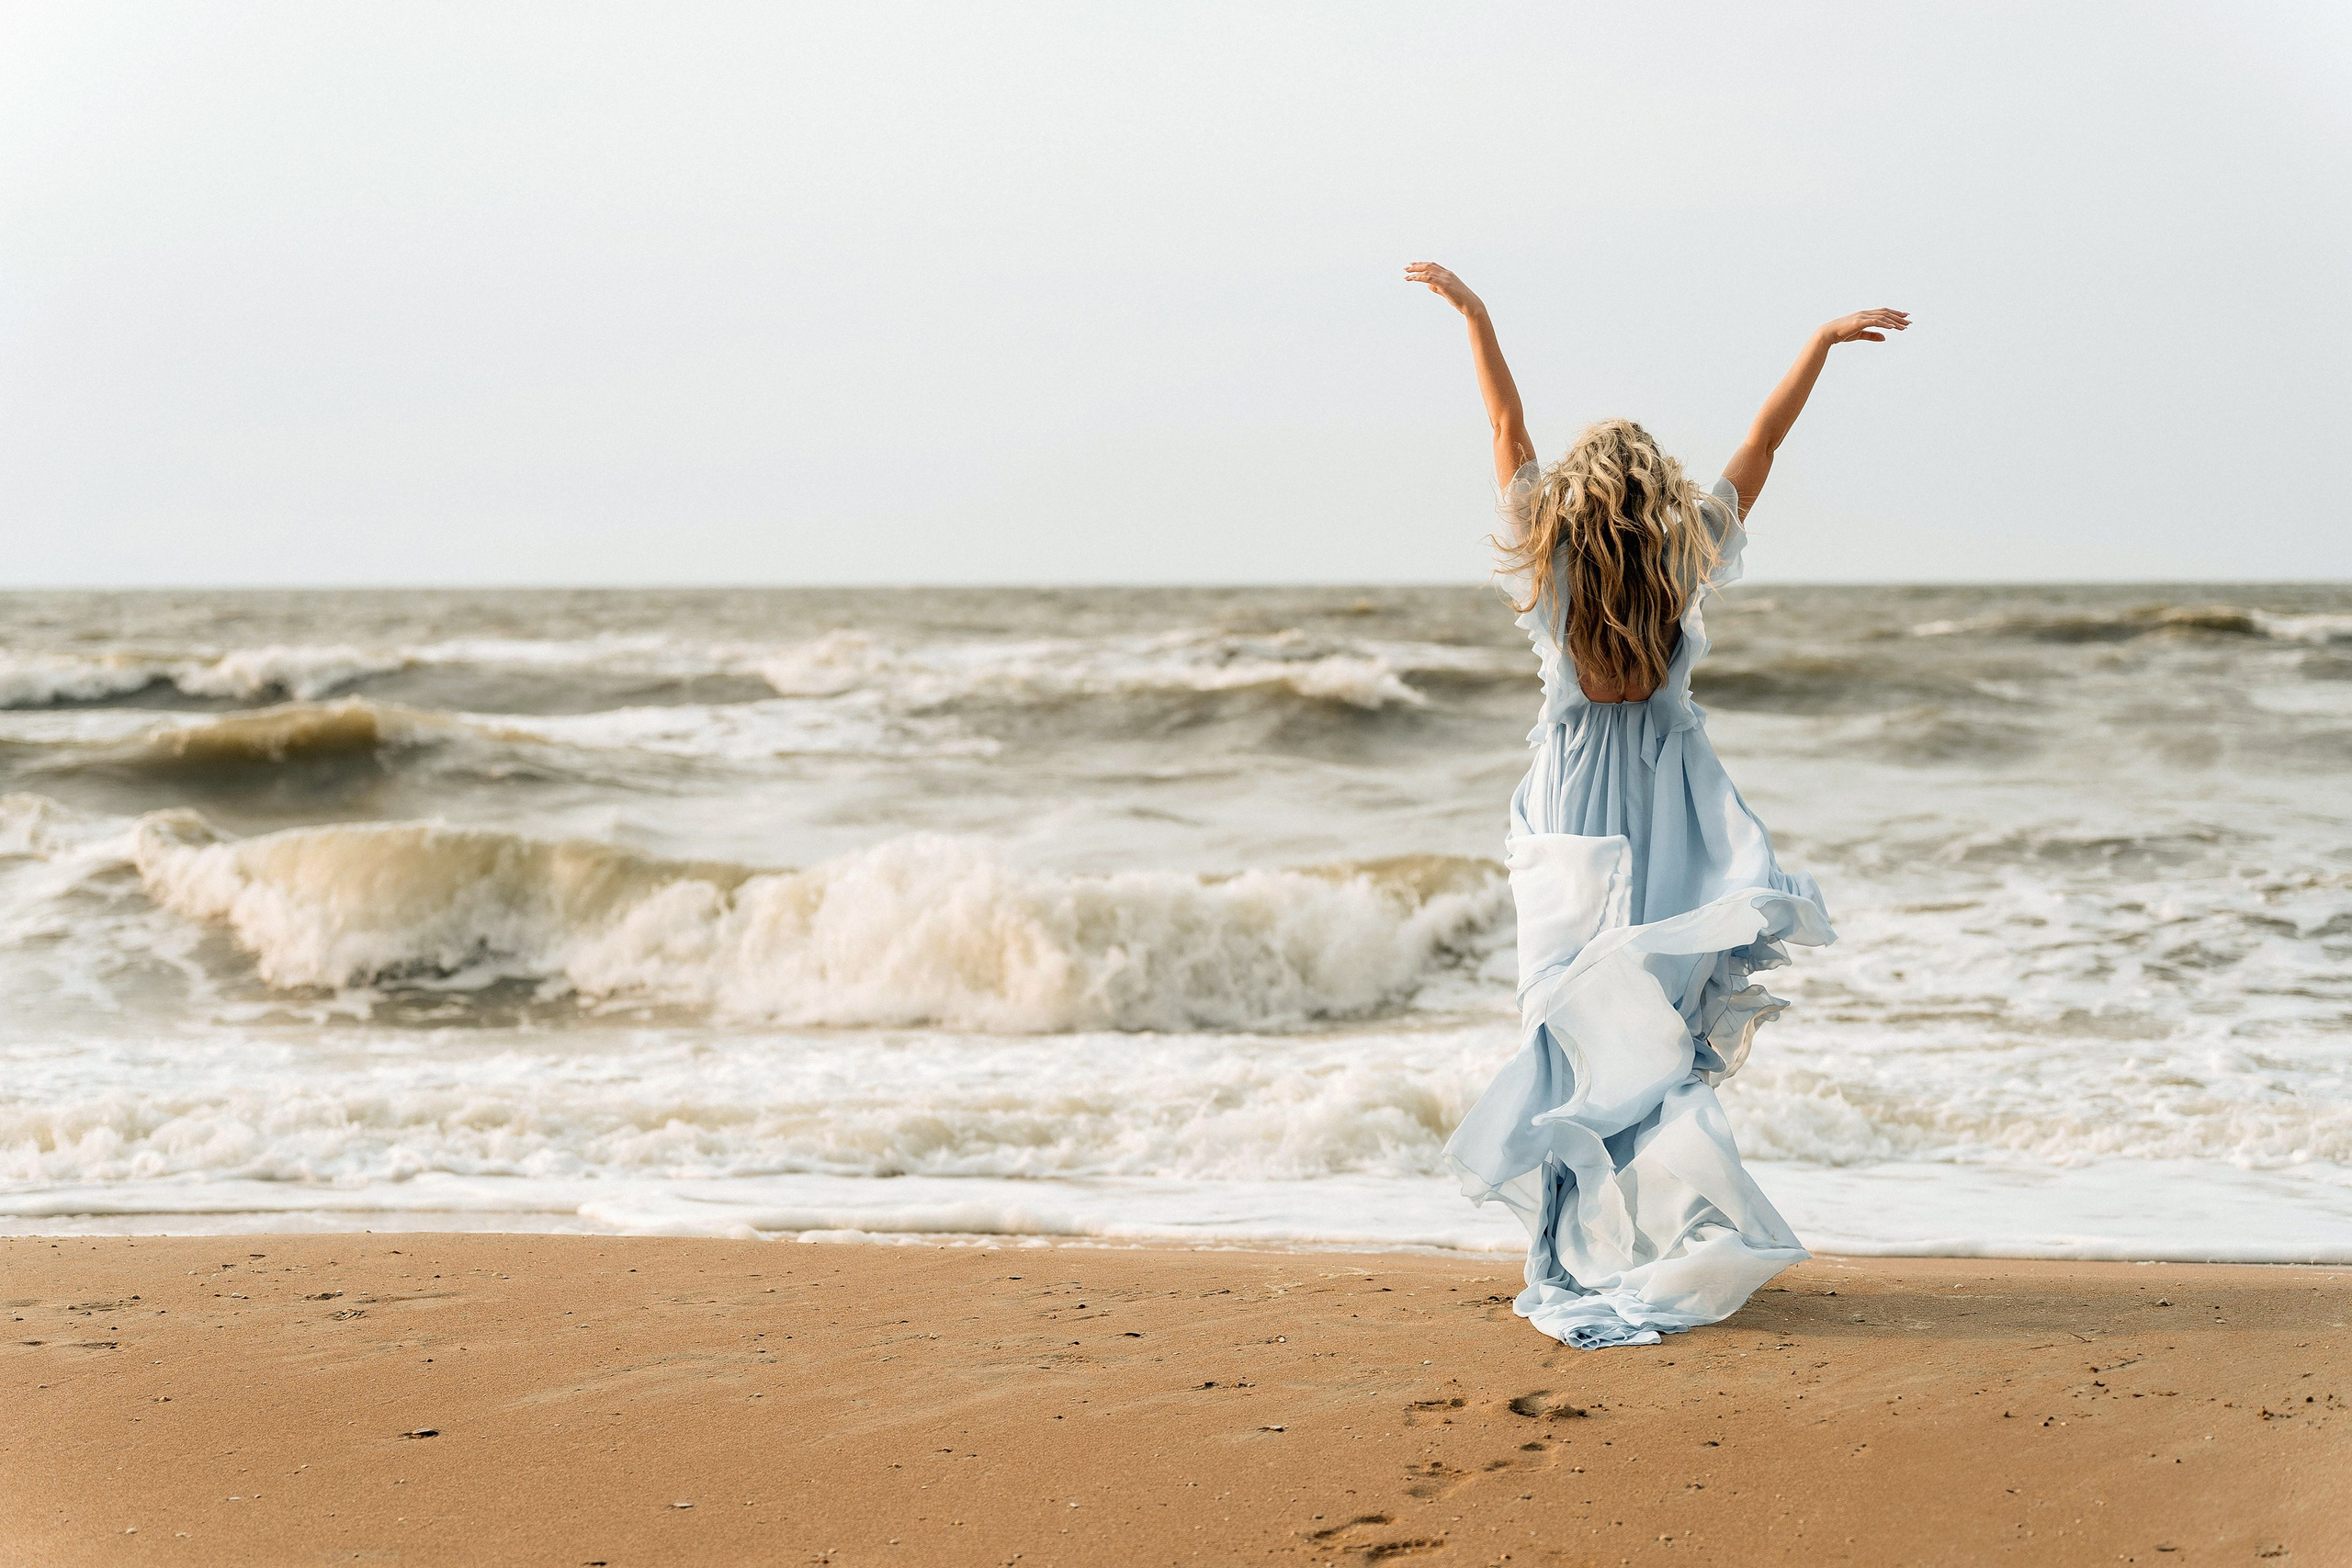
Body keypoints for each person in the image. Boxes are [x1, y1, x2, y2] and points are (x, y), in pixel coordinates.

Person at [1407, 261, 1907, 1348]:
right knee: (1655, 1034)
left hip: (1567, 819)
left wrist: (1478, 319)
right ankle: (1653, 1240)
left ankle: (1559, 1251)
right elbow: (1761, 451)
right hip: (1673, 814)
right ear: (1654, 494)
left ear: (1579, 498)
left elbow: (1503, 421)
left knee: (1567, 1029)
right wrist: (1817, 343)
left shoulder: (1550, 568)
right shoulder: (1685, 563)